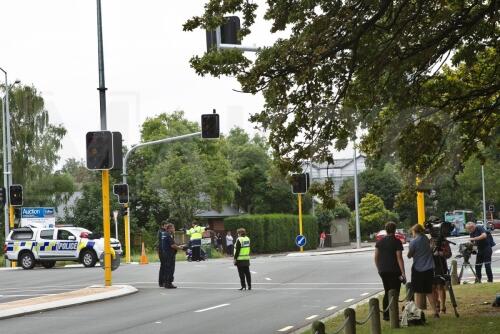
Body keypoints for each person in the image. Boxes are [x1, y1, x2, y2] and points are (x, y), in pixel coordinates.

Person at [374, 222, 406, 321]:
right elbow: (399, 258)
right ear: (395, 230)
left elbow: (376, 257)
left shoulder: (380, 242)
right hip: (394, 270)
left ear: (386, 230)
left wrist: (379, 268)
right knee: (395, 292)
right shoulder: (397, 242)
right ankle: (394, 314)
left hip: (383, 270)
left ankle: (386, 315)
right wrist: (403, 273)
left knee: (387, 291)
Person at [407, 224, 439, 318]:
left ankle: (418, 313)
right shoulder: (426, 239)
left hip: (418, 269)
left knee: (418, 292)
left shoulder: (413, 242)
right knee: (429, 291)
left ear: (414, 231)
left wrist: (412, 252)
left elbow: (409, 255)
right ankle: (435, 312)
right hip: (429, 268)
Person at [430, 237, 452, 314]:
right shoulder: (430, 241)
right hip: (431, 266)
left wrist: (441, 253)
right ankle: (437, 303)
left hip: (441, 266)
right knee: (432, 286)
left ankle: (443, 306)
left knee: (440, 285)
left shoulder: (444, 241)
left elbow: (449, 254)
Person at [160, 222, 184, 289]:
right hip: (169, 254)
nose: (174, 229)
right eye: (173, 228)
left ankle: (165, 282)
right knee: (170, 269)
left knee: (167, 268)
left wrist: (178, 246)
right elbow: (172, 245)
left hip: (166, 253)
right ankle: (168, 283)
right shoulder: (168, 235)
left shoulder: (164, 234)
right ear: (169, 229)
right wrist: (180, 248)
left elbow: (171, 244)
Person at [158, 222, 168, 287]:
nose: (166, 227)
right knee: (163, 266)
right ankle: (162, 281)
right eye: (165, 226)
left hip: (163, 250)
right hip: (162, 250)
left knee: (164, 266)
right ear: (162, 226)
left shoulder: (163, 232)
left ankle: (162, 281)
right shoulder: (161, 232)